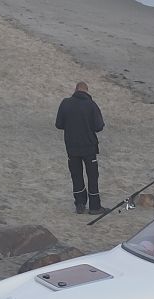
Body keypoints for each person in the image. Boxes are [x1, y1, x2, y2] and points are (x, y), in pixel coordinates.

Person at [55, 82, 105, 214]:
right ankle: (94, 207)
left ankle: (80, 204)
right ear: (87, 92)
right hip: (89, 147)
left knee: (76, 175)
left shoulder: (65, 103)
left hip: (72, 147)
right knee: (92, 177)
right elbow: (99, 126)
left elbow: (59, 124)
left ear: (76, 90)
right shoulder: (91, 105)